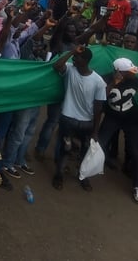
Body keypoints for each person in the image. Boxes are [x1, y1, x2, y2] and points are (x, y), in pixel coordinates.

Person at [98, 58, 138, 204]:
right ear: (120, 72)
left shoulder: (136, 81)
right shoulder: (104, 80)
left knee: (134, 150)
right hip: (112, 117)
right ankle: (86, 172)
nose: (134, 73)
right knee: (99, 144)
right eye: (131, 71)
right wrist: (114, 83)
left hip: (131, 118)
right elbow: (100, 98)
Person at [50, 45, 106, 191]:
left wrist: (95, 130)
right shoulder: (69, 69)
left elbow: (98, 108)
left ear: (86, 60)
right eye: (74, 57)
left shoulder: (98, 81)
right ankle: (59, 175)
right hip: (67, 118)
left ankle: (83, 176)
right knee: (65, 149)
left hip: (87, 122)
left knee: (85, 151)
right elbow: (57, 65)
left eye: (78, 57)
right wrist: (72, 52)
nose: (74, 59)